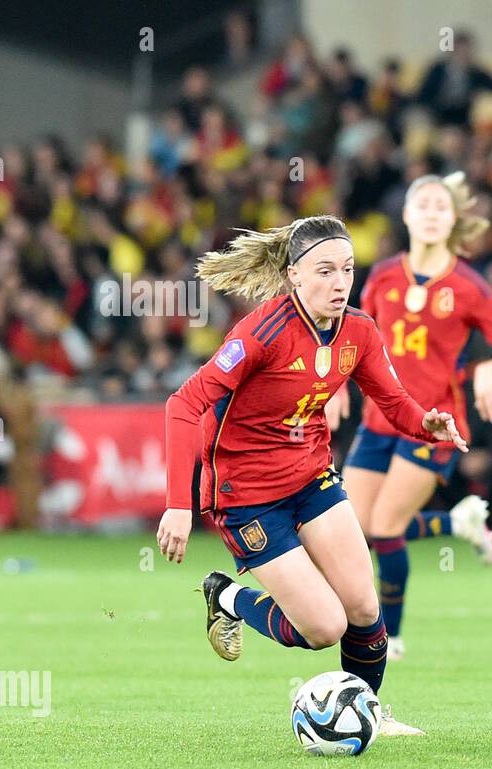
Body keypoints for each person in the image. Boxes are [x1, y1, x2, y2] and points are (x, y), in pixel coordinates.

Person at [156, 215, 468, 735]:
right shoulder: (261, 332)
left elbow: (393, 401)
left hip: (310, 479)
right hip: (247, 496)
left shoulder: (359, 331)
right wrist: (178, 503)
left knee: (365, 606)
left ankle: (367, 710)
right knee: (324, 628)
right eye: (325, 271)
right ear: (294, 275)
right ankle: (227, 596)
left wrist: (425, 423)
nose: (340, 282)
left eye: (347, 269)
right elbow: (183, 405)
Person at [336, 172, 492, 661]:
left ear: (454, 219)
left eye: (441, 205)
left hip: (434, 422)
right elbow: (353, 337)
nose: (431, 212)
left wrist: (486, 371)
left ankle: (388, 639)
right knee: (354, 530)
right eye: (422, 203)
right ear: (405, 214)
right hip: (380, 419)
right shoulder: (381, 277)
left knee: (384, 528)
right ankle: (457, 522)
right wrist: (334, 383)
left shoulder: (469, 286)